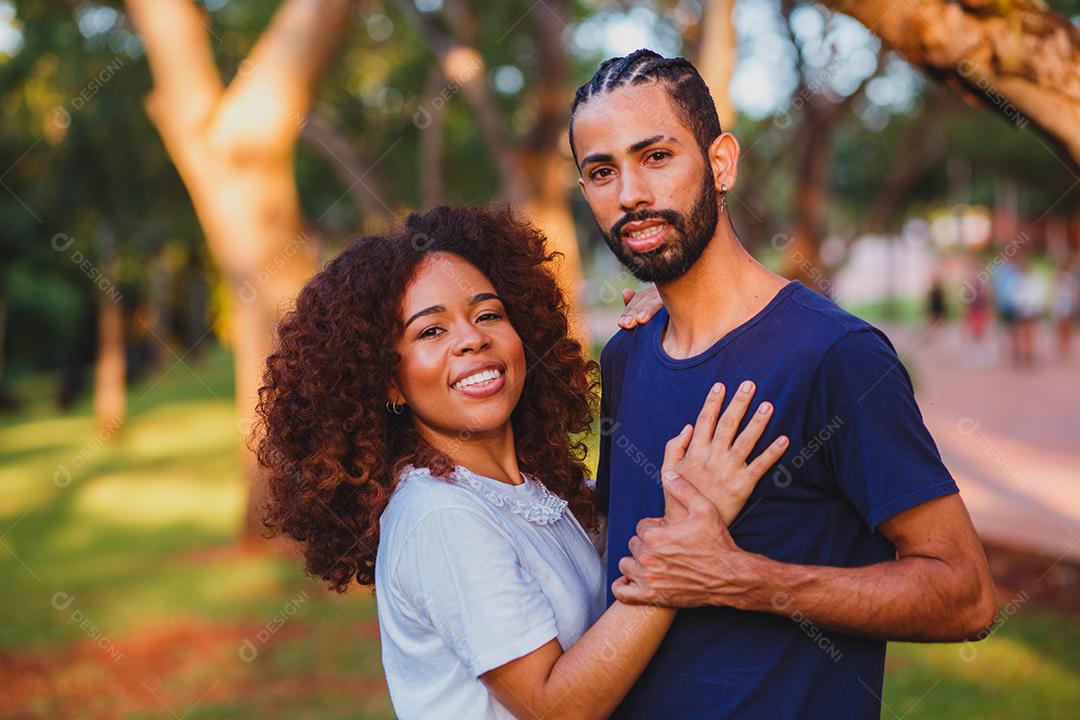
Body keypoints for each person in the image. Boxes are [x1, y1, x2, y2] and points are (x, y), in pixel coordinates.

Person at [569, 49, 997, 719]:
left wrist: (741, 579)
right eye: (601, 172)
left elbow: (966, 594)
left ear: (720, 163)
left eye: (656, 157)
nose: (630, 195)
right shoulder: (626, 353)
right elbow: (624, 545)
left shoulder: (836, 355)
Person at [252, 204, 789, 719]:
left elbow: (630, 547)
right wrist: (680, 551)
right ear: (389, 382)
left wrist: (678, 307)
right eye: (431, 331)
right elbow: (555, 707)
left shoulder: (540, 486)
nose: (472, 339)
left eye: (488, 313)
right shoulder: (441, 517)